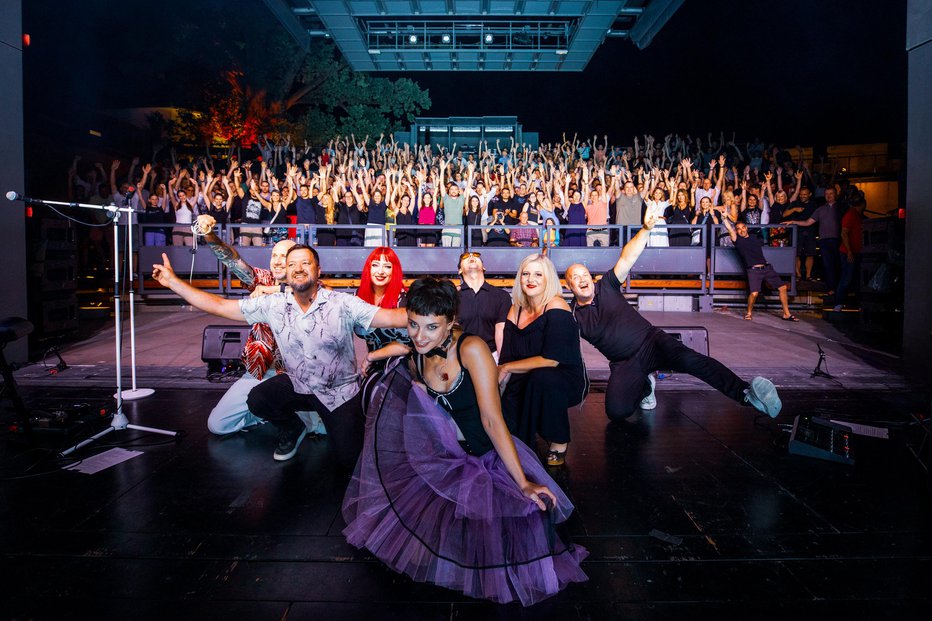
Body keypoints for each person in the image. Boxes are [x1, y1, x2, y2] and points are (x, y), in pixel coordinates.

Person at [341, 277, 588, 606]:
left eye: (431, 327)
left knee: (503, 546)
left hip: (485, 455)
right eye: (413, 325)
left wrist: (524, 483)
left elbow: (492, 419)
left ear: (451, 323)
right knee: (426, 542)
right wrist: (372, 358)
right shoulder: (416, 353)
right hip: (446, 457)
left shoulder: (471, 348)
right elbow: (404, 349)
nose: (420, 336)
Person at [150, 244, 407, 464]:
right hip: (297, 383)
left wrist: (438, 311)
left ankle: (327, 427)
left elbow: (392, 317)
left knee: (349, 459)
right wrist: (174, 283)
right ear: (285, 272)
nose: (298, 268)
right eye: (292, 263)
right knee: (258, 398)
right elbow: (219, 305)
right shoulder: (272, 304)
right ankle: (292, 427)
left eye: (306, 263)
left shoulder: (343, 303)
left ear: (318, 271)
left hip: (337, 393)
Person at [564, 214, 783, 422]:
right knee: (616, 412)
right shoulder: (572, 315)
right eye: (576, 277)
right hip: (625, 363)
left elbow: (628, 255)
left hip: (652, 342)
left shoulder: (608, 285)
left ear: (592, 279)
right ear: (570, 286)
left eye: (585, 274)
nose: (582, 279)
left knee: (691, 360)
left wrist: (647, 229)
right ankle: (646, 387)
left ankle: (745, 394)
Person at [191, 215, 325, 437]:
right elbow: (232, 261)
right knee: (218, 424)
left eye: (285, 256)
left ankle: (294, 417)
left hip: (298, 377)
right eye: (274, 255)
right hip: (262, 372)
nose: (278, 261)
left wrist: (276, 291)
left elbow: (317, 293)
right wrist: (209, 235)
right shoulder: (263, 279)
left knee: (322, 429)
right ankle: (265, 413)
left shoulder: (310, 285)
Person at [498, 254, 587, 467]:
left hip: (562, 378)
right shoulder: (515, 309)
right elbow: (507, 356)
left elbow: (552, 360)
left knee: (543, 377)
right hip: (525, 375)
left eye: (538, 274)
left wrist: (507, 367)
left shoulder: (556, 306)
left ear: (548, 279)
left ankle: (558, 440)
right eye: (526, 274)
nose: (531, 279)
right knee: (505, 426)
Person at [724, 219, 800, 322]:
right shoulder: (738, 241)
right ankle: (749, 313)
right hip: (753, 270)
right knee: (754, 293)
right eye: (738, 229)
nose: (741, 230)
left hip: (766, 268)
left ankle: (786, 314)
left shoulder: (754, 238)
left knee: (782, 287)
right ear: (736, 231)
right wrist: (724, 218)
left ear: (746, 228)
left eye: (743, 228)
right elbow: (730, 229)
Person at [354, 247, 411, 376]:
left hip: (400, 369)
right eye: (375, 265)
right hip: (373, 368)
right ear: (369, 268)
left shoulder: (403, 299)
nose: (380, 271)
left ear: (394, 271)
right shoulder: (359, 296)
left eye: (387, 266)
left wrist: (371, 356)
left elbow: (406, 345)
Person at [456, 251, 511, 358]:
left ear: (483, 268)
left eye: (476, 256)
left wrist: (502, 363)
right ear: (460, 270)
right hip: (461, 356)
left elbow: (501, 331)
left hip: (492, 355)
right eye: (466, 257)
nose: (471, 257)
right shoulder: (453, 295)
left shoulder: (501, 296)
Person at [834, 198, 865, 312]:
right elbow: (844, 234)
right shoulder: (850, 215)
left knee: (856, 279)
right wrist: (849, 251)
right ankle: (839, 302)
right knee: (846, 278)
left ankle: (858, 303)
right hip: (848, 252)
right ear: (862, 205)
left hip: (856, 251)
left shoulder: (858, 216)